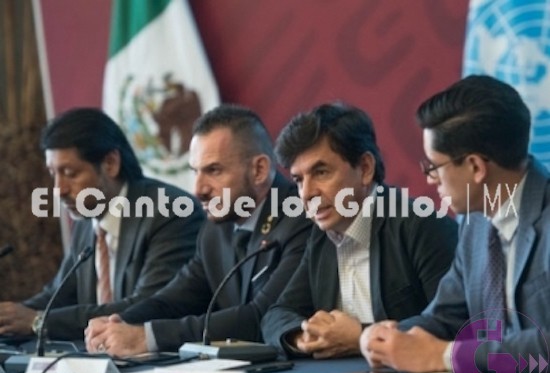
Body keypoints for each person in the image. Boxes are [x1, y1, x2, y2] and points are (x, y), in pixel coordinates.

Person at [84, 104, 312, 356]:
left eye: (214, 170)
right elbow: (173, 299)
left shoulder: (301, 218)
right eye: (195, 172)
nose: (198, 189)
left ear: (258, 170)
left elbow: (260, 317)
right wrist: (119, 322)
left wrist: (148, 337)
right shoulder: (215, 230)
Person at [360, 75, 550, 373]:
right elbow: (445, 317)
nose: (429, 179)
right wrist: (388, 337)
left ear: (475, 166)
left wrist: (447, 356)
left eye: (434, 166)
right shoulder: (475, 224)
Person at [261, 102, 458, 359]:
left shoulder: (422, 225)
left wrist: (361, 337)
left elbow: (451, 322)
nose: (307, 193)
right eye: (299, 180)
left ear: (365, 168)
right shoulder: (321, 237)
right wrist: (303, 335)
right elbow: (276, 315)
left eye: (321, 172)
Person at [0, 108, 205, 340]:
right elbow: (58, 296)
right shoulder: (87, 220)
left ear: (110, 163)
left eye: (70, 173)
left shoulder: (171, 211)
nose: (59, 190)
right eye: (53, 174)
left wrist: (38, 321)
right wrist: (10, 319)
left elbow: (149, 305)